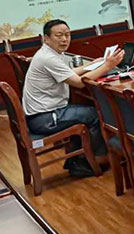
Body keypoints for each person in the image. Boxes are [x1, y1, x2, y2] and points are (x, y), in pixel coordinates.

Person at [23, 19, 125, 177]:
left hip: (43, 114)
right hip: (44, 118)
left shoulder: (49, 53)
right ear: (46, 38)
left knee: (86, 110)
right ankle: (99, 160)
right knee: (95, 114)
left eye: (67, 35)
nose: (64, 39)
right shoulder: (48, 58)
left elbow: (69, 74)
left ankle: (79, 160)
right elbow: (79, 83)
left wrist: (93, 64)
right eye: (59, 35)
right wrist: (108, 66)